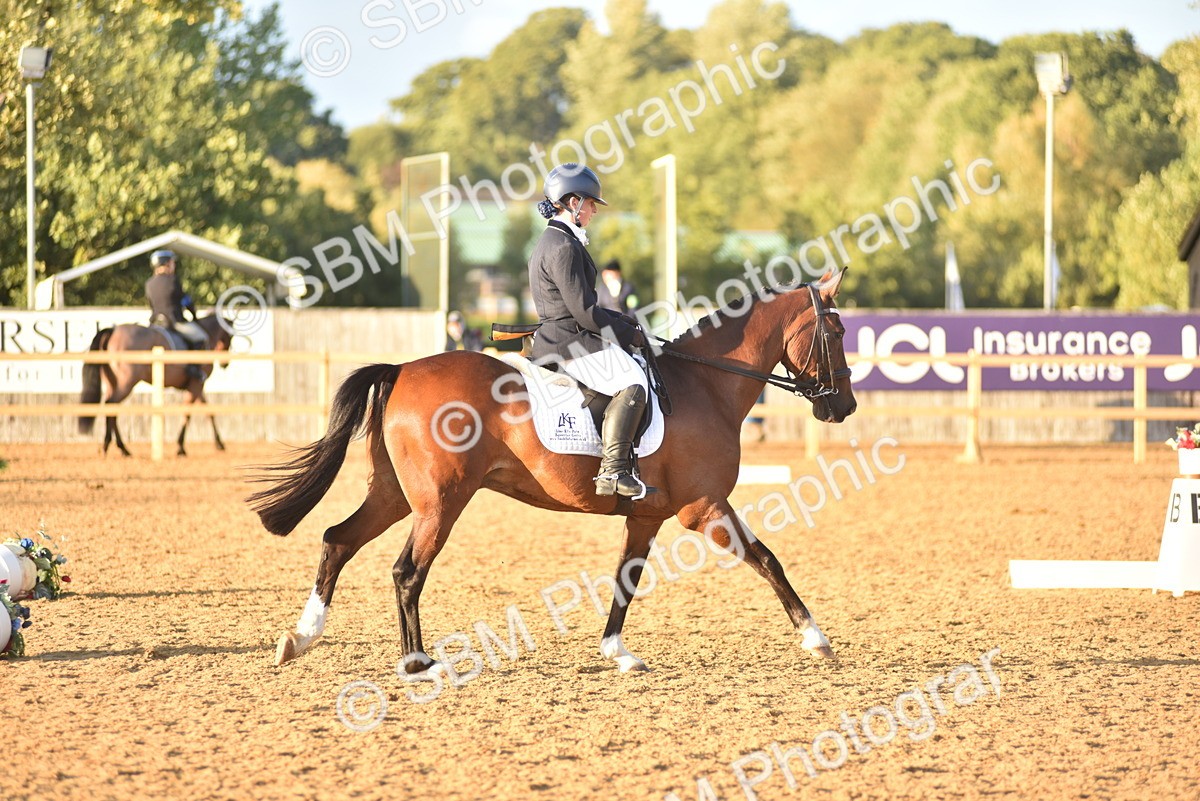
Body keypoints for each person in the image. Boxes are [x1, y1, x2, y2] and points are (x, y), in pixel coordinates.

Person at [528, 163, 650, 499]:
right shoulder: (563, 246)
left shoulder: (553, 240)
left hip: (561, 336)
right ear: (572, 202)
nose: (595, 209)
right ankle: (613, 471)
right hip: (569, 342)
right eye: (591, 203)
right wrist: (627, 335)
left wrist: (625, 321)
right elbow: (584, 312)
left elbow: (581, 306)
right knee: (633, 381)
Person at [145, 249, 206, 382]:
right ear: (166, 264)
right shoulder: (173, 280)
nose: (174, 266)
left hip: (155, 322)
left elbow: (152, 305)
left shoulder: (149, 284)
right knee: (201, 337)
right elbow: (185, 301)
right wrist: (194, 317)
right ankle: (193, 368)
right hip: (173, 321)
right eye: (172, 263)